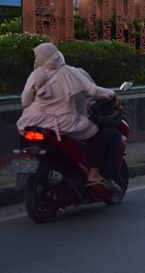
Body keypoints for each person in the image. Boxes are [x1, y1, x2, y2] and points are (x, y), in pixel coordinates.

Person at [17, 43, 122, 191]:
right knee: (97, 134)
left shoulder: (36, 74)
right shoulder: (69, 72)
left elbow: (25, 102)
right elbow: (93, 91)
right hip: (63, 122)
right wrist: (112, 95)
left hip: (32, 120)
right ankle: (93, 174)